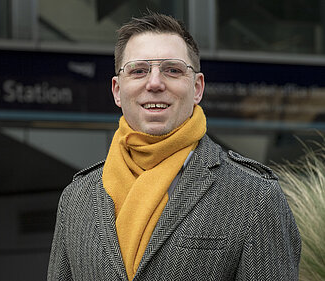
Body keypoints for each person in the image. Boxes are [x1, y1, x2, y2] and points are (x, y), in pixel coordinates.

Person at [47, 12, 301, 281]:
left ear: (197, 88)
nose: (155, 83)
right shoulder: (76, 199)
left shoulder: (255, 197)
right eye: (138, 71)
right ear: (117, 91)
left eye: (173, 70)